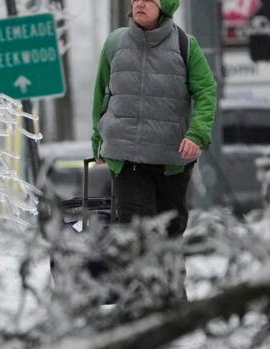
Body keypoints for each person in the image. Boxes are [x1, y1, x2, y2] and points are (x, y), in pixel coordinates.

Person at [91, 0, 218, 239]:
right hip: (126, 159)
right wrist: (97, 141)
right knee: (136, 235)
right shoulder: (115, 43)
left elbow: (206, 93)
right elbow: (101, 95)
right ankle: (139, 276)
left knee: (169, 238)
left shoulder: (186, 46)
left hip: (170, 162)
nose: (139, 3)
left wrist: (196, 134)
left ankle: (170, 276)